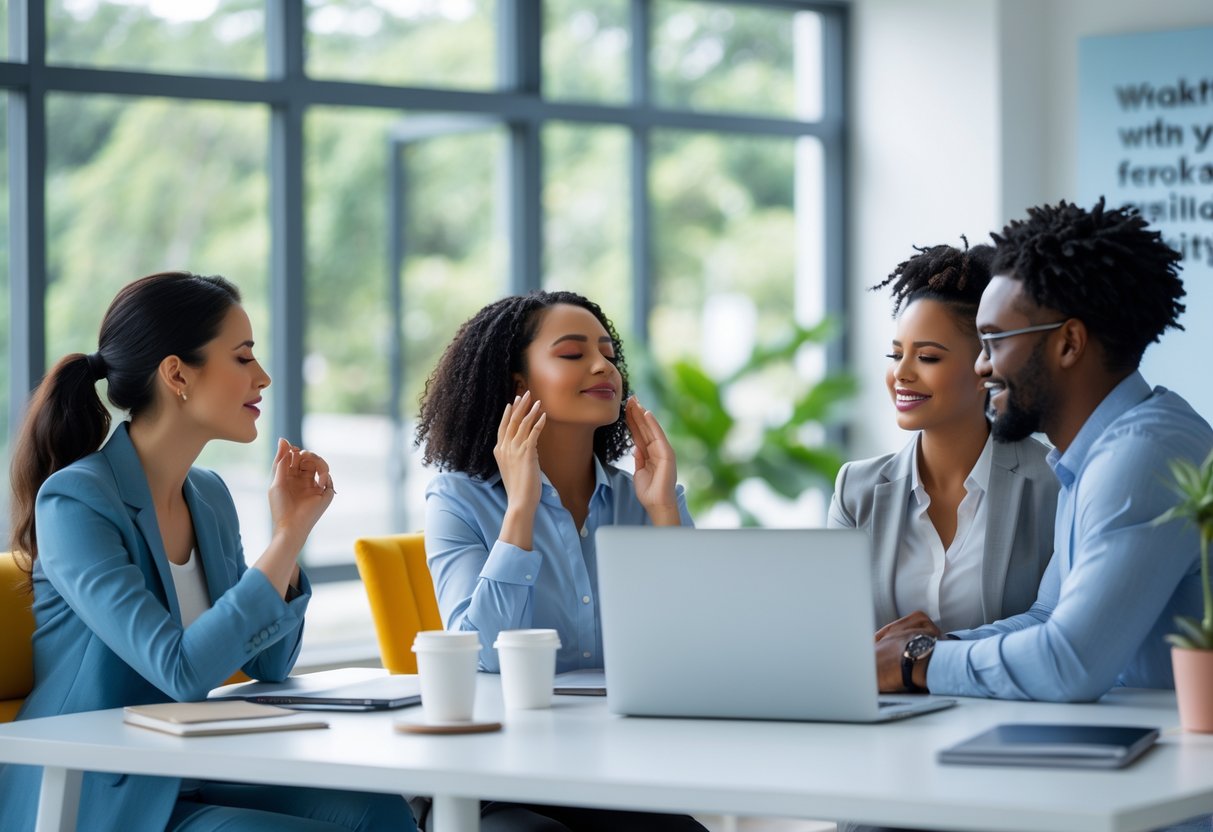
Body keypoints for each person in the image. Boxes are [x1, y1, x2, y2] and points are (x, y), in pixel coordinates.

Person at [0, 272, 415, 832]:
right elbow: (181, 669)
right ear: (176, 374)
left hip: (189, 770)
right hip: (96, 790)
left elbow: (269, 663)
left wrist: (287, 531)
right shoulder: (75, 502)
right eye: (242, 358)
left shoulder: (209, 495)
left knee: (379, 810)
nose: (262, 377)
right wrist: (288, 538)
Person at [875, 199, 1213, 710]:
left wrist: (916, 662)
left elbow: (1069, 662)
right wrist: (940, 646)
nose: (982, 368)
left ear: (1069, 343)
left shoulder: (1141, 457)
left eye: (993, 342)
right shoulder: (1094, 456)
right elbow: (1048, 618)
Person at [416, 290, 705, 832]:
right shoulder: (456, 498)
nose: (603, 366)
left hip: (613, 768)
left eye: (608, 353)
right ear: (518, 383)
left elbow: (699, 645)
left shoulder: (642, 496)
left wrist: (664, 510)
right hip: (495, 777)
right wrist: (520, 507)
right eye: (573, 354)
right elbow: (482, 653)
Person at [829, 241, 1058, 633]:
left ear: (985, 364)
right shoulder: (856, 490)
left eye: (928, 357)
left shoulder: (1051, 483)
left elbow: (1056, 625)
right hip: (890, 698)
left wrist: (927, 656)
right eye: (895, 354)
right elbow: (832, 628)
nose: (901, 373)